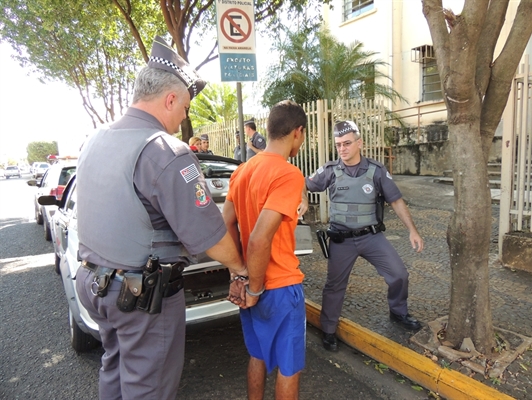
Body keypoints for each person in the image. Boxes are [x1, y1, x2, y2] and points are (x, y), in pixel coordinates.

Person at [75, 36, 247, 400]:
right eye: (184, 107)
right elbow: (208, 236)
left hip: (94, 284)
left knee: (115, 368)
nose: (184, 117)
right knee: (148, 387)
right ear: (170, 99)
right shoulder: (165, 150)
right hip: (141, 295)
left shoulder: (95, 138)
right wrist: (240, 268)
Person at [304, 120, 424, 352]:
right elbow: (302, 183)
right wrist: (301, 197)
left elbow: (396, 200)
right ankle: (328, 330)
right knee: (334, 286)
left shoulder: (376, 171)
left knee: (399, 274)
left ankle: (398, 311)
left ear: (360, 143)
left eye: (347, 143)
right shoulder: (329, 171)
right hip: (341, 240)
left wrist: (413, 230)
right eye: (338, 144)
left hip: (371, 238)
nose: (342, 149)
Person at [223, 100, 308, 399]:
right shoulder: (288, 174)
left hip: (250, 283)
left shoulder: (242, 171)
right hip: (279, 286)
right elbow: (260, 238)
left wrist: (240, 274)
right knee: (288, 367)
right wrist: (256, 287)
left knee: (257, 356)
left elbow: (224, 226)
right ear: (298, 132)